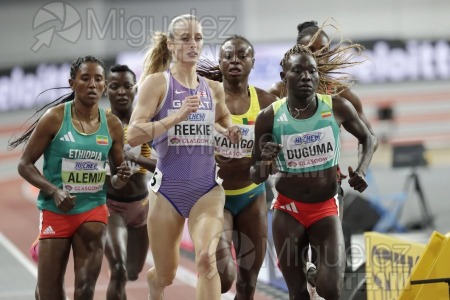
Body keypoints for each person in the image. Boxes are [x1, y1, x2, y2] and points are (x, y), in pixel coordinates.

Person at [126, 14, 241, 300]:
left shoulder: (213, 89)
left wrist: (231, 132)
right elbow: (133, 135)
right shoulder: (157, 84)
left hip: (207, 190)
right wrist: (175, 117)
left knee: (206, 258)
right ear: (170, 44)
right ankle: (156, 285)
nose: (193, 44)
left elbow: (225, 119)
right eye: (186, 38)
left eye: (198, 38)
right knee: (167, 273)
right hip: (167, 192)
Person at [250, 44, 375, 299]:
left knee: (331, 289)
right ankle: (305, 279)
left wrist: (361, 170)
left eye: (312, 71)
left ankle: (314, 275)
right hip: (288, 209)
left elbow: (368, 138)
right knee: (297, 294)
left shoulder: (337, 107)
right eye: (298, 70)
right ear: (284, 76)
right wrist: (264, 162)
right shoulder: (269, 118)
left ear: (319, 76)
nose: (306, 76)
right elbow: (255, 174)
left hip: (325, 208)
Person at [8, 56, 131, 300]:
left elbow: (116, 178)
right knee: (50, 294)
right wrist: (54, 190)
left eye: (98, 79)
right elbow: (24, 165)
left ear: (104, 85)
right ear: (72, 83)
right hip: (56, 211)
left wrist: (121, 179)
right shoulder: (55, 118)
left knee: (85, 291)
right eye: (85, 79)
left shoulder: (112, 125)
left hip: (92, 209)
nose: (93, 85)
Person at [197, 35, 277, 299]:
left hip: (252, 196)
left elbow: (276, 147)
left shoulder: (266, 102)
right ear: (219, 62)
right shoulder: (203, 98)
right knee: (223, 277)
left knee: (248, 282)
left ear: (252, 62)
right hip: (214, 195)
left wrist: (271, 158)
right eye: (228, 55)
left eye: (242, 56)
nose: (235, 60)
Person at [104, 64, 157, 300]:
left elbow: (166, 166)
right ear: (106, 90)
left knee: (133, 272)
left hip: (141, 206)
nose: (122, 92)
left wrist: (136, 158)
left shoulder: (147, 123)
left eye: (127, 86)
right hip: (111, 206)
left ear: (136, 89)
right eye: (115, 87)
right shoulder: (100, 124)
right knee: (118, 270)